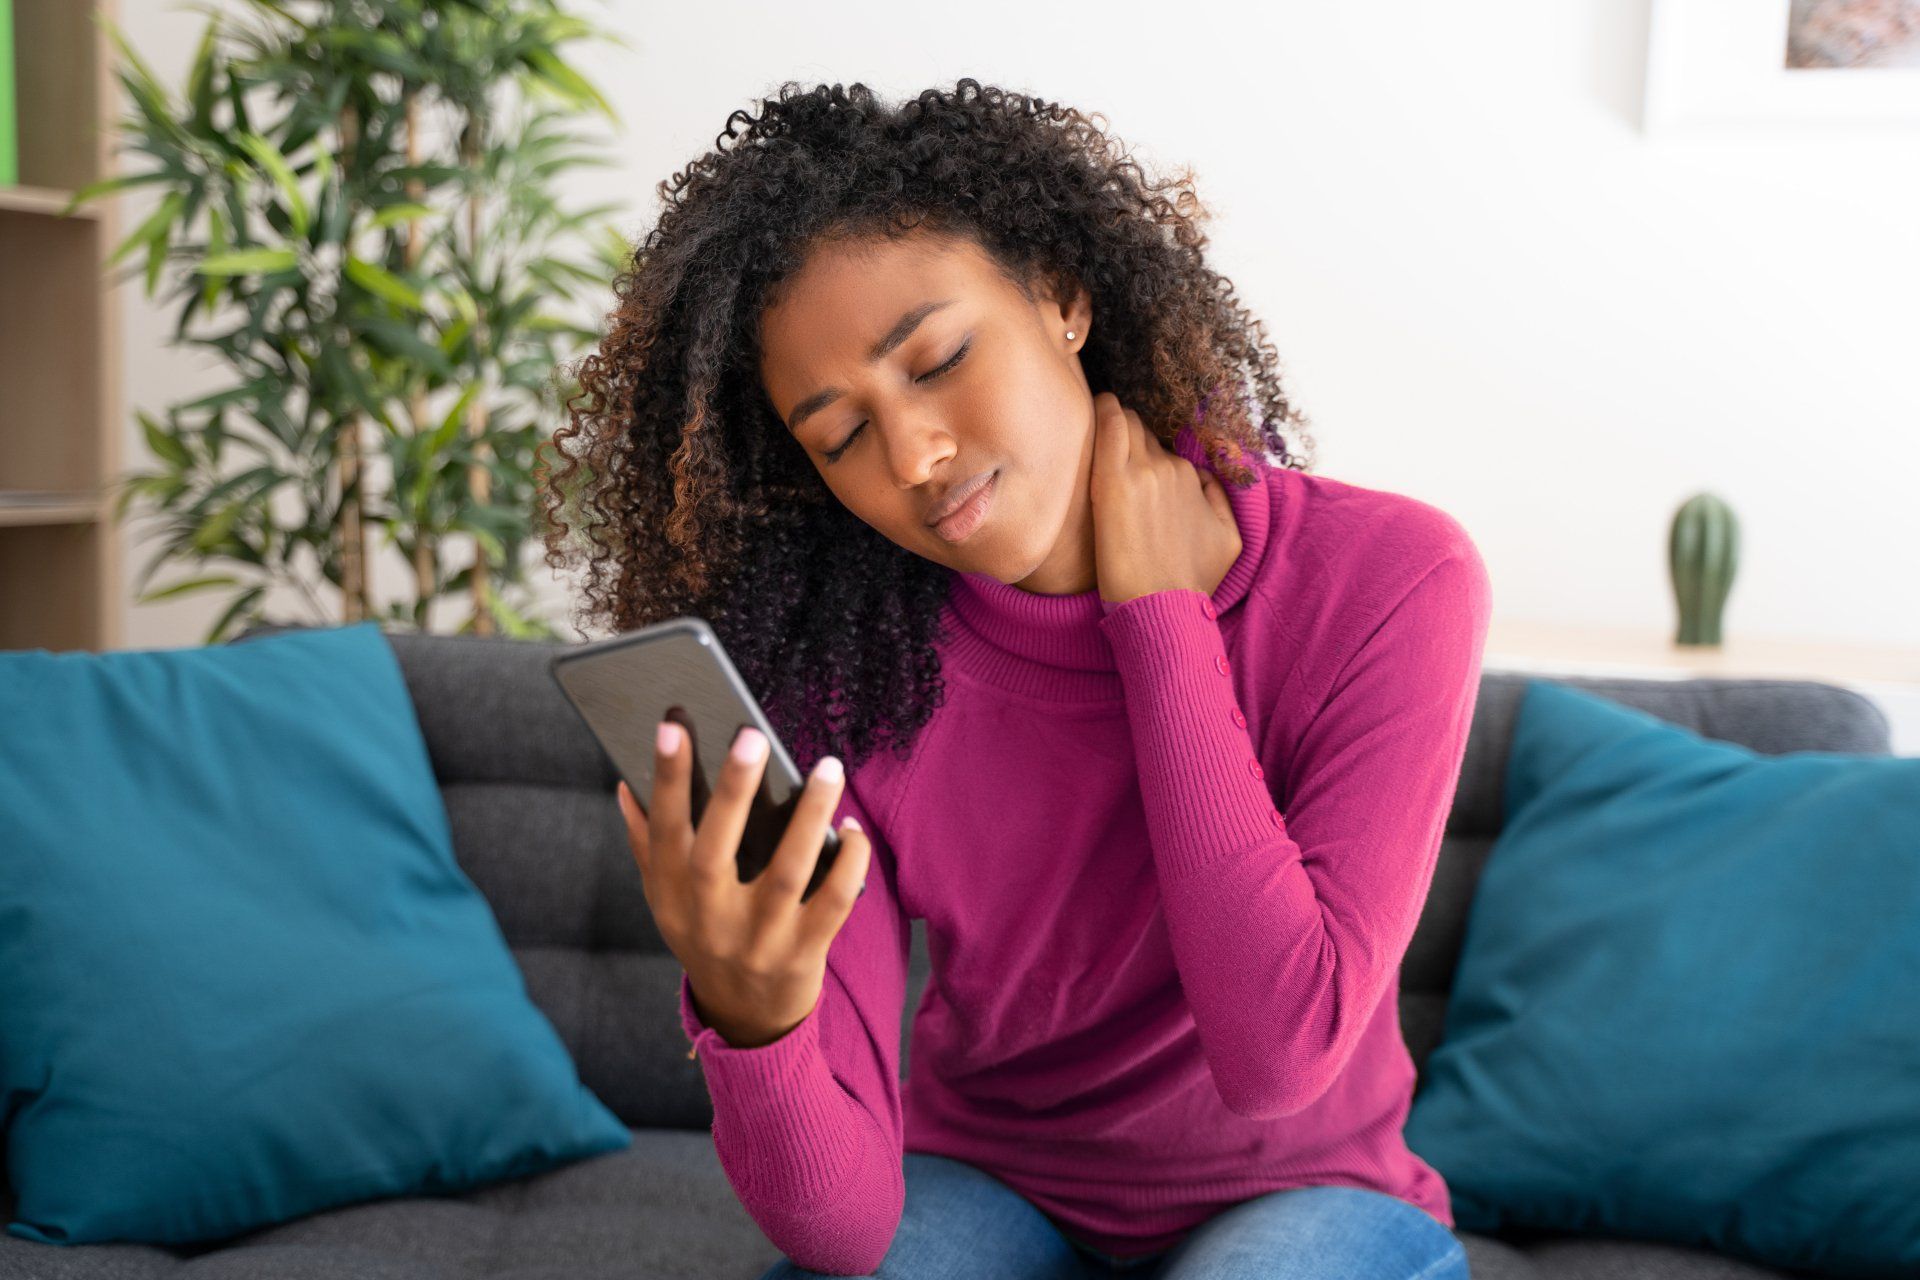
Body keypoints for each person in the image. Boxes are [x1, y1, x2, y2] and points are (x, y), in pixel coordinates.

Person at [538, 78, 1485, 1280]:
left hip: (1310, 1199)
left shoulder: (1390, 579)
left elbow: (1277, 1053)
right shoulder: (849, 671)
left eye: (936, 358)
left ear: (1062, 295)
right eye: (840, 436)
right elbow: (844, 1231)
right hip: (992, 1187)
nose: (915, 456)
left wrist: (1158, 623)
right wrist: (753, 1011)